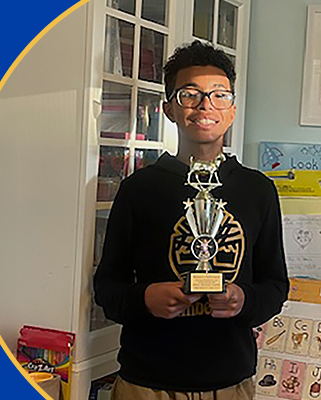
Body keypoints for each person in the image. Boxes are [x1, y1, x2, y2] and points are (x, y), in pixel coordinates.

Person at [94, 40, 289, 399]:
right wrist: (145, 298)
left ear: (232, 109)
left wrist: (243, 300)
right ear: (169, 108)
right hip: (146, 382)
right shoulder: (138, 189)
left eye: (219, 95)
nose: (205, 106)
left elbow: (276, 286)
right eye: (190, 94)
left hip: (230, 382)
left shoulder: (258, 190)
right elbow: (107, 287)